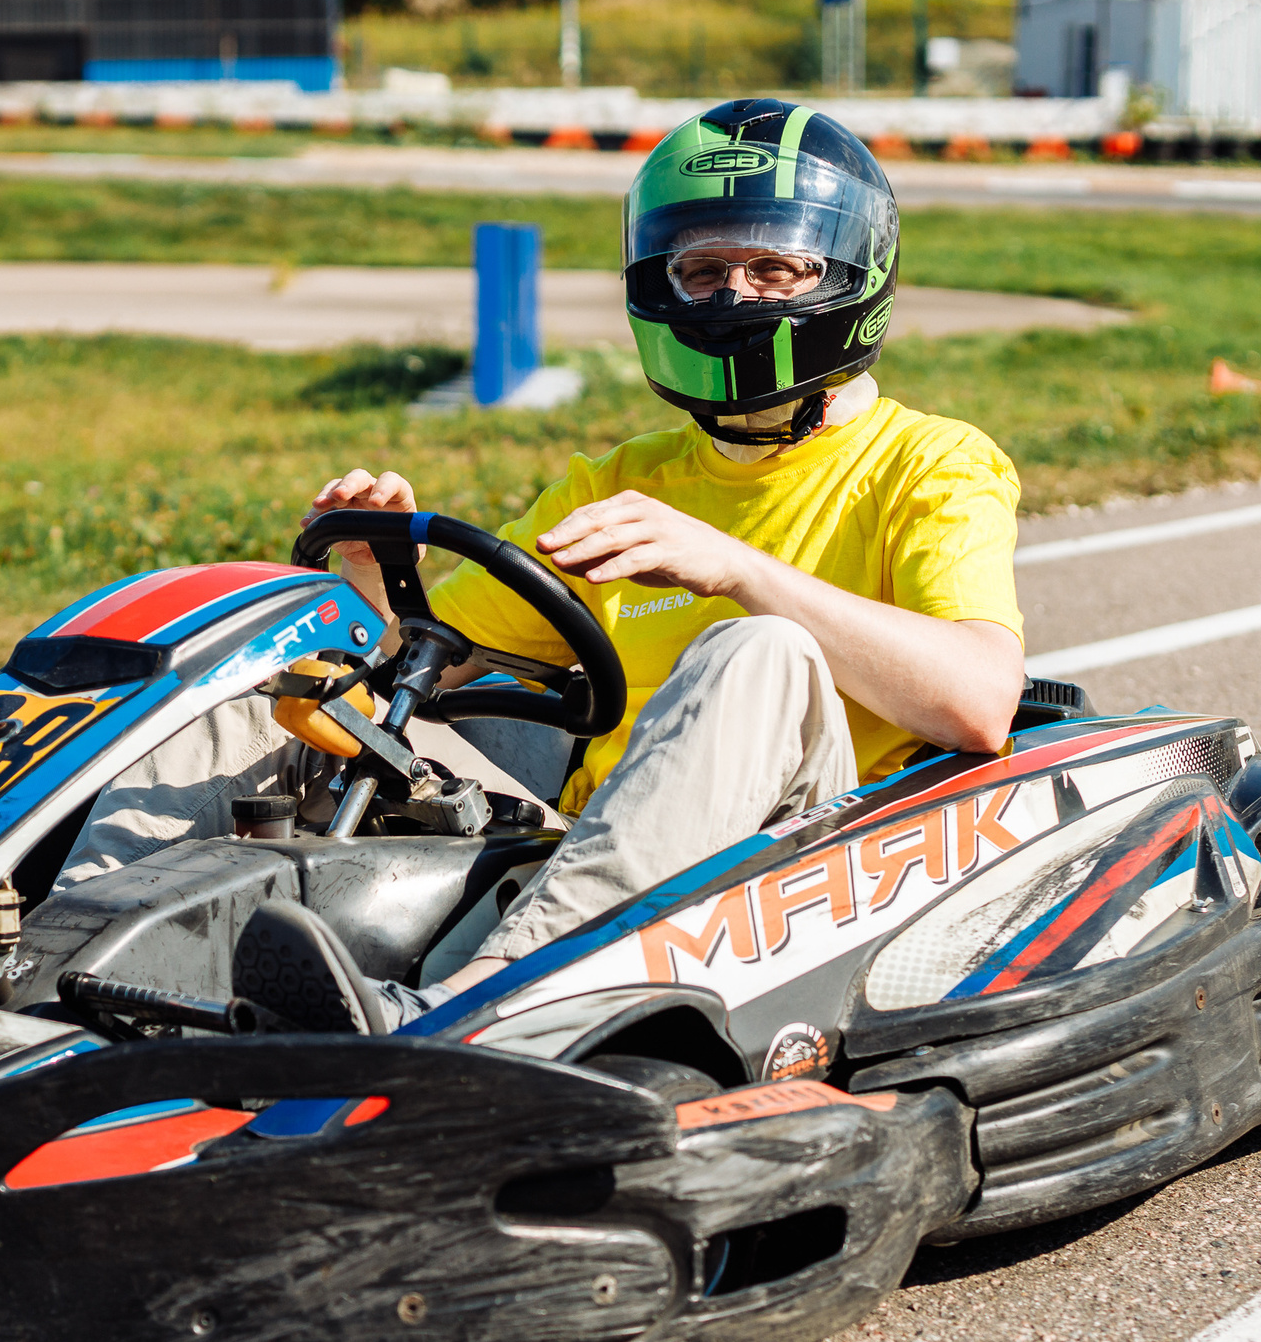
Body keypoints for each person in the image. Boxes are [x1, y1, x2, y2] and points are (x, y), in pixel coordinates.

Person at [56, 98, 1027, 1033]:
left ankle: (472, 1010)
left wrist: (736, 567)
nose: (735, 295)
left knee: (757, 647)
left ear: (852, 275)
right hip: (602, 851)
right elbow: (417, 665)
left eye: (775, 266)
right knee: (274, 673)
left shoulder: (932, 462)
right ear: (659, 281)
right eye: (703, 267)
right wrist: (357, 580)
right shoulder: (619, 483)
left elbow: (979, 700)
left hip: (814, 856)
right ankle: (70, 959)